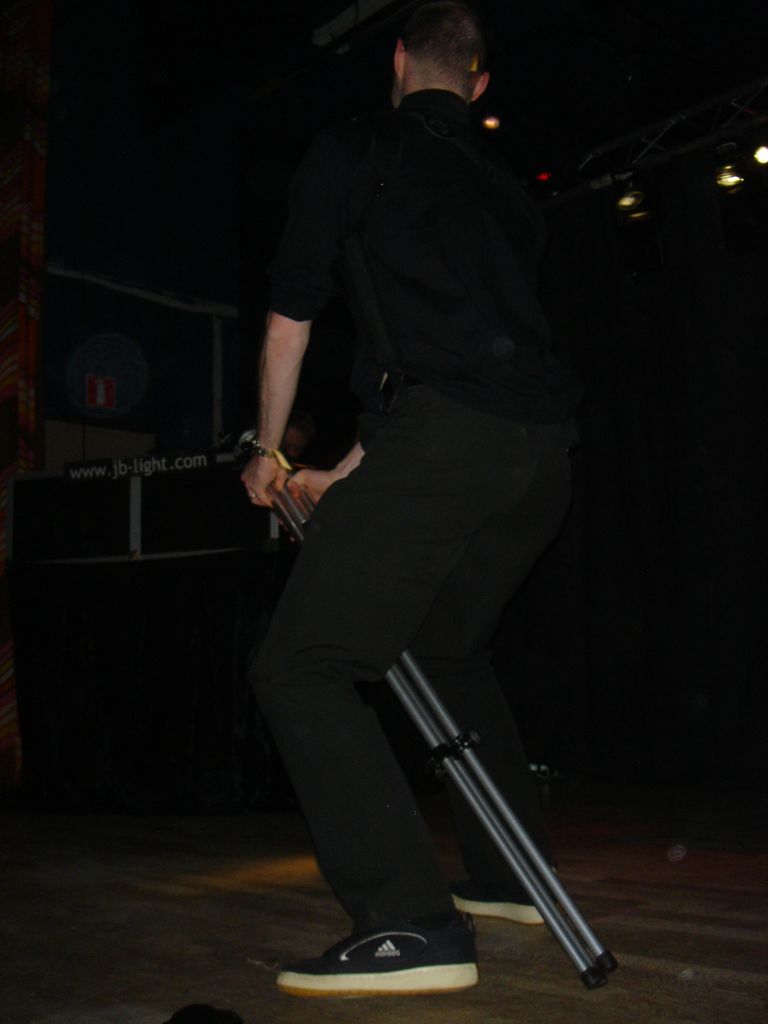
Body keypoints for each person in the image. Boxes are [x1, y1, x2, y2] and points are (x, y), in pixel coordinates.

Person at [240, 1, 582, 998]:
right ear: (479, 84)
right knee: (444, 649)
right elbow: (459, 368)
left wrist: (269, 450)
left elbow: (292, 322)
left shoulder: (355, 149)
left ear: (396, 60)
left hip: (447, 446)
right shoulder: (510, 190)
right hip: (541, 456)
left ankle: (409, 922)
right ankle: (511, 875)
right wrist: (346, 472)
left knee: (301, 665)